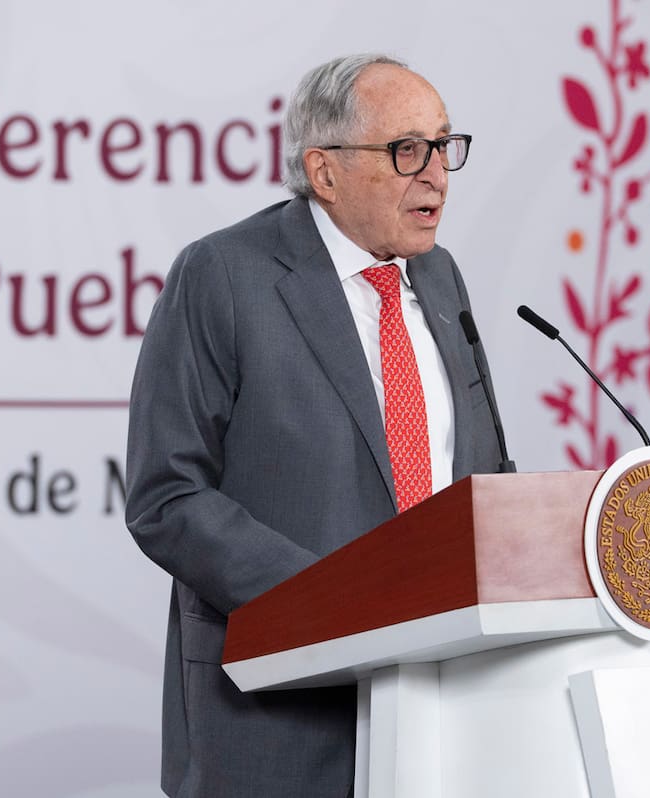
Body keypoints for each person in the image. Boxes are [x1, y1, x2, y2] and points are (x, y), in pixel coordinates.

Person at [125, 53, 504, 798]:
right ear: (324, 171)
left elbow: (480, 472)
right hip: (279, 720)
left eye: (445, 145)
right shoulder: (223, 276)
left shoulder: (441, 276)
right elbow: (165, 495)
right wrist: (333, 599)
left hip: (446, 712)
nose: (436, 175)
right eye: (407, 151)